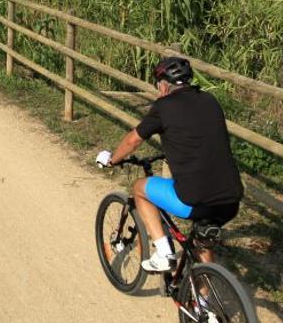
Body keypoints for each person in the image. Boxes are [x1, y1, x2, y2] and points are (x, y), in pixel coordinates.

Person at [95, 56, 243, 272]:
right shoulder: (210, 100)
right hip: (231, 199)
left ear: (164, 85)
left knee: (139, 188)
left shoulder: (164, 106)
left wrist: (112, 159)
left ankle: (164, 253)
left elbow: (133, 140)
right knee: (201, 238)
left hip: (193, 199)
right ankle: (203, 300)